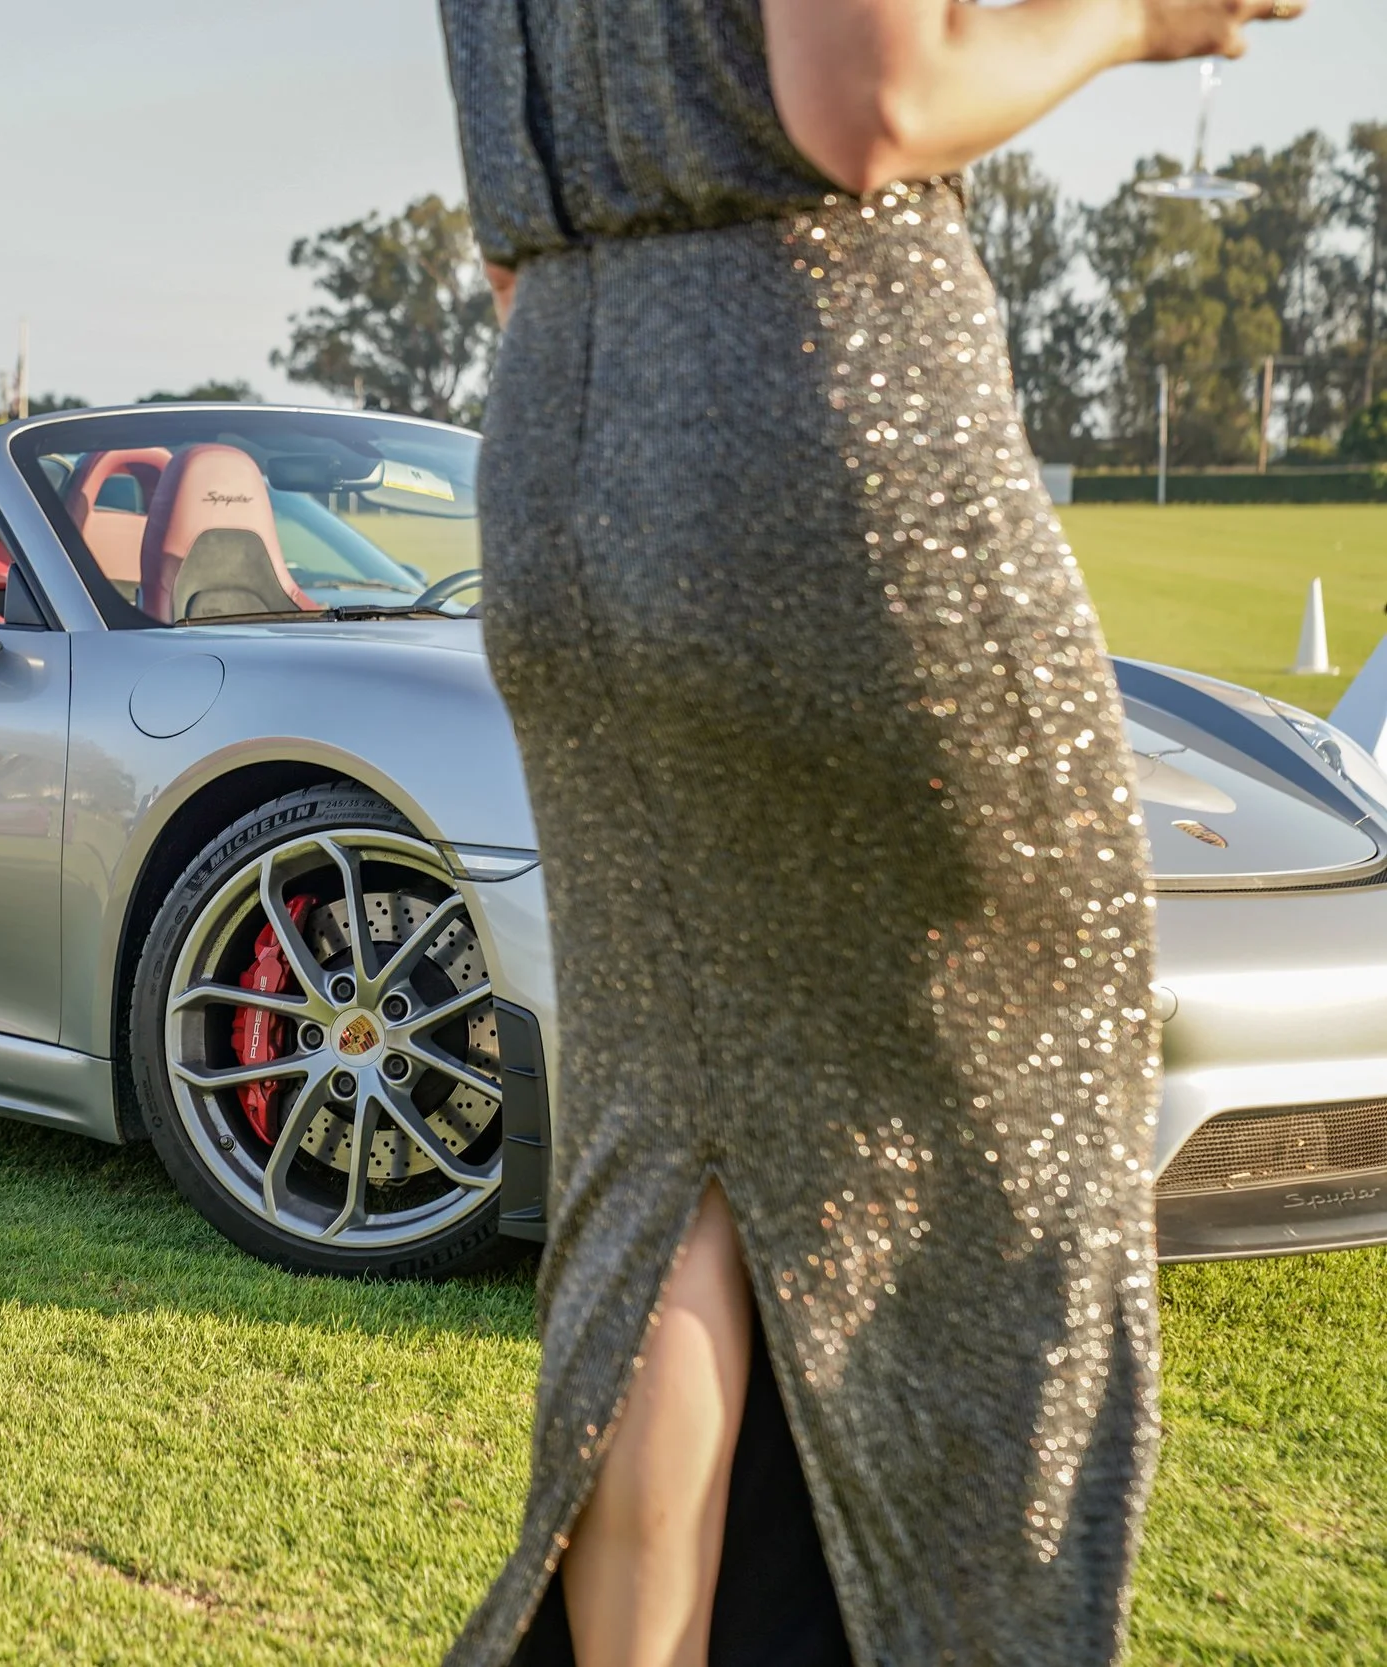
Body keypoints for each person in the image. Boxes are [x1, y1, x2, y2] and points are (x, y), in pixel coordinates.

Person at [435, 1, 1305, 1663]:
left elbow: (505, 246)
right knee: (1011, 1125)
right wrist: (1144, 18)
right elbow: (877, 99)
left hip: (556, 429)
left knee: (671, 1150)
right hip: (821, 415)